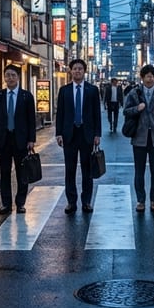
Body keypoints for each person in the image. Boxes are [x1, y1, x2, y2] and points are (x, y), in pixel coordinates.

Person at [55, 58, 102, 214]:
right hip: (69, 135)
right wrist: (59, 133)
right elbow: (60, 114)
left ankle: (86, 201)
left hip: (87, 134)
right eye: (74, 68)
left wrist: (97, 134)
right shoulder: (64, 90)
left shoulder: (92, 90)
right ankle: (71, 202)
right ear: (70, 71)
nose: (77, 71)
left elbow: (97, 114)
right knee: (70, 170)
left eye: (80, 69)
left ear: (84, 71)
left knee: (87, 170)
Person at [0, 64, 38, 215]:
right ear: (4, 78)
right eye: (7, 75)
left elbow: (32, 119)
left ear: (18, 77)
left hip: (21, 139)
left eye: (13, 75)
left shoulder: (26, 96)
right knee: (4, 172)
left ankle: (20, 203)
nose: (10, 78)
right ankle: (5, 203)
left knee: (21, 172)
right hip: (3, 139)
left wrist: (31, 139)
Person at [125, 64, 154, 213]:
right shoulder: (134, 93)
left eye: (152, 76)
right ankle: (140, 200)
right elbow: (126, 111)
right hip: (139, 137)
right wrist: (137, 109)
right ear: (142, 78)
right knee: (139, 170)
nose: (150, 79)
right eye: (147, 76)